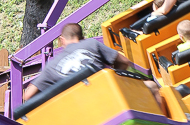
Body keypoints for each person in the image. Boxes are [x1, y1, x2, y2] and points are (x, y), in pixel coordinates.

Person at [24, 23, 165, 111]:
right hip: (106, 96)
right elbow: (124, 62)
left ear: (61, 40)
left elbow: (28, 96)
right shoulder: (92, 44)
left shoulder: (51, 66)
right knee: (152, 86)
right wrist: (118, 77)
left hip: (78, 109)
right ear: (82, 37)